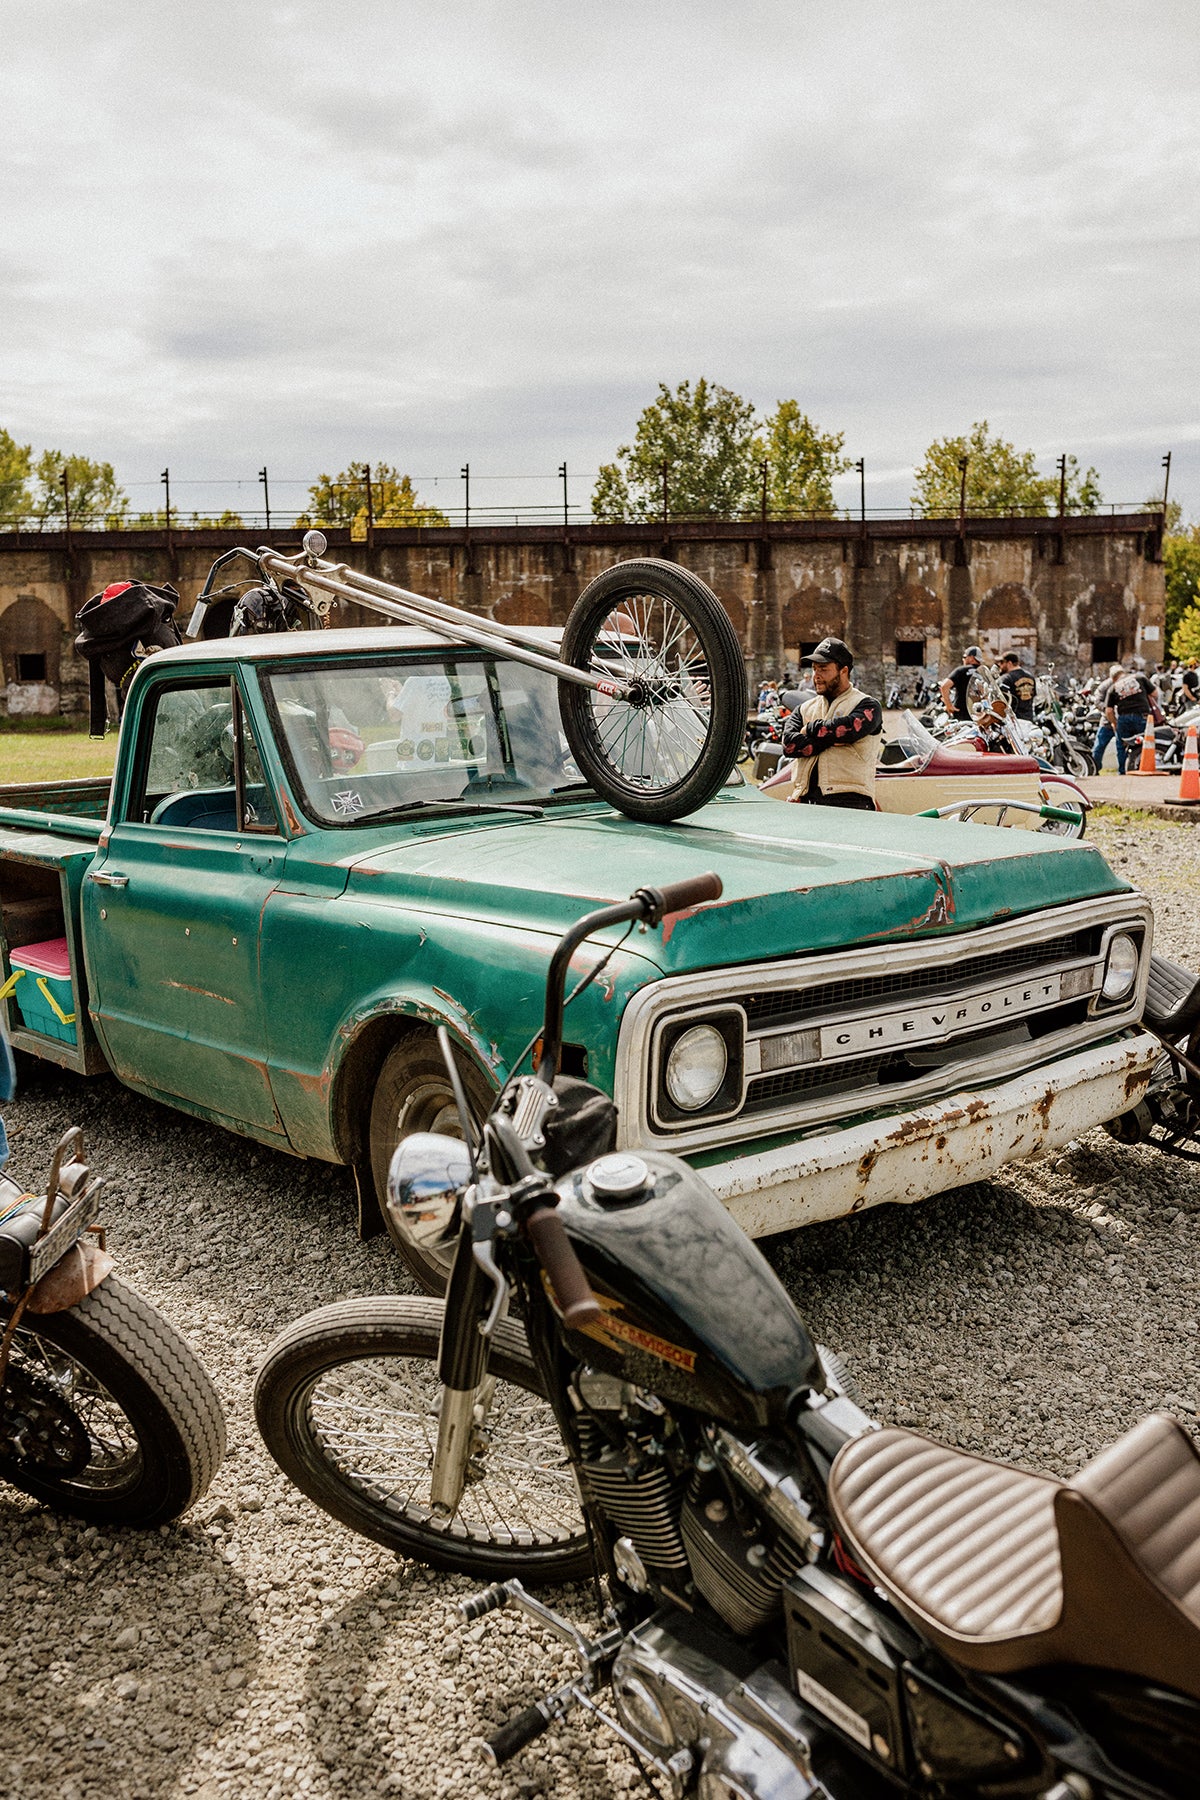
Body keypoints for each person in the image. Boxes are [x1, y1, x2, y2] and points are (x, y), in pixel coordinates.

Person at [782, 637, 883, 811]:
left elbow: (848, 729)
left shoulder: (868, 705)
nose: (816, 676)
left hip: (851, 804)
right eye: (814, 669)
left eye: (823, 669)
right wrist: (831, 736)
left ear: (843, 671)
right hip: (804, 803)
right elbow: (789, 745)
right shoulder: (804, 709)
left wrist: (809, 729)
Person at [1105, 665, 1163, 775]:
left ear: (1113, 678)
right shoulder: (1140, 678)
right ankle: (1143, 767)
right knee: (1144, 743)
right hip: (1142, 716)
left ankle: (1123, 771)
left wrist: (1114, 723)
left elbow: (1108, 711)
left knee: (1122, 746)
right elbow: (1155, 693)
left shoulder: (1112, 688)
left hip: (1124, 718)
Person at [1090, 664, 1125, 771]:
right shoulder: (1104, 686)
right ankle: (1095, 769)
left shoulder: (1125, 684)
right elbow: (1097, 701)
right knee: (1098, 747)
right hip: (1106, 721)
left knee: (1121, 748)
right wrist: (1108, 709)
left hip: (1121, 721)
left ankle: (1123, 770)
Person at [939, 645, 982, 721]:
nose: (963, 660)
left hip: (961, 714)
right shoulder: (983, 672)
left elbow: (944, 686)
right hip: (979, 714)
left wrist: (949, 706)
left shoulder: (962, 670)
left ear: (971, 657)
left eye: (965, 657)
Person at [996, 651, 1037, 722]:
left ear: (1009, 663)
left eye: (1002, 662)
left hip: (1013, 722)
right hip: (1029, 720)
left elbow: (999, 702)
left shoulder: (1006, 678)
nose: (1000, 665)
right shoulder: (1030, 677)